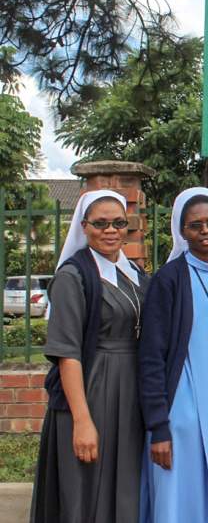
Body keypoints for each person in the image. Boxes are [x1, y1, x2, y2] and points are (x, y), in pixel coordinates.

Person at [30, 190, 148, 523]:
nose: (111, 230)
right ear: (84, 226)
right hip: (91, 390)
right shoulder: (72, 277)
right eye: (101, 223)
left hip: (128, 394)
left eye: (119, 223)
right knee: (85, 487)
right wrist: (82, 421)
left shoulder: (134, 276)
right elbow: (67, 353)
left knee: (123, 485)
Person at [138, 187, 208, 522]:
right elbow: (151, 356)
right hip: (178, 415)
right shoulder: (168, 280)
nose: (205, 231)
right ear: (182, 231)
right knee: (178, 500)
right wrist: (159, 428)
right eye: (196, 225)